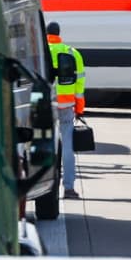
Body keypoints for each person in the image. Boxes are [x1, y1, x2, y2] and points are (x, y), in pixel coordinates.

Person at [45, 21, 85, 200]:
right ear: (59, 33)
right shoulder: (72, 53)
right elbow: (80, 86)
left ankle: (44, 186)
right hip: (66, 106)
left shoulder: (39, 50)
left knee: (43, 145)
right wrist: (80, 109)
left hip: (44, 106)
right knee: (68, 147)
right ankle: (69, 188)